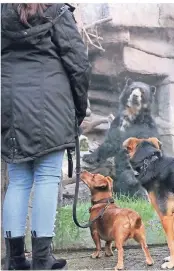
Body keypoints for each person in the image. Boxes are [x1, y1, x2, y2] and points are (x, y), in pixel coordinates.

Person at [1, 3, 91, 270]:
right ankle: (42, 258)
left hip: (10, 104)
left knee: (17, 180)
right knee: (48, 177)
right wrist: (79, 107)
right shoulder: (57, 12)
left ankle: (15, 260)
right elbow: (79, 64)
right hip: (51, 103)